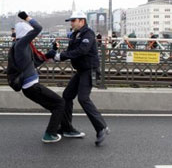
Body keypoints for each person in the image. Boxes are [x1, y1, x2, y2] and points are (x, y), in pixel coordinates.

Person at [54, 11, 110, 146]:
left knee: (83, 98)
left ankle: (101, 127)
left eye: (74, 21)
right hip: (81, 70)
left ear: (82, 21)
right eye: (71, 21)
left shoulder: (88, 34)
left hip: (89, 70)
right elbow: (71, 51)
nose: (71, 23)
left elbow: (82, 51)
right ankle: (67, 128)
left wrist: (61, 56)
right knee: (67, 96)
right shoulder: (75, 34)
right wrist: (58, 53)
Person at [13, 11, 68, 143]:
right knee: (60, 103)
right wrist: (26, 17)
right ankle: (49, 134)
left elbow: (37, 61)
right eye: (29, 33)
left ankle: (65, 128)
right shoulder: (21, 45)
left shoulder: (24, 47)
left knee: (56, 106)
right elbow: (38, 28)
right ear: (25, 34)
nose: (33, 37)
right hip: (32, 87)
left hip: (30, 87)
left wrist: (53, 50)